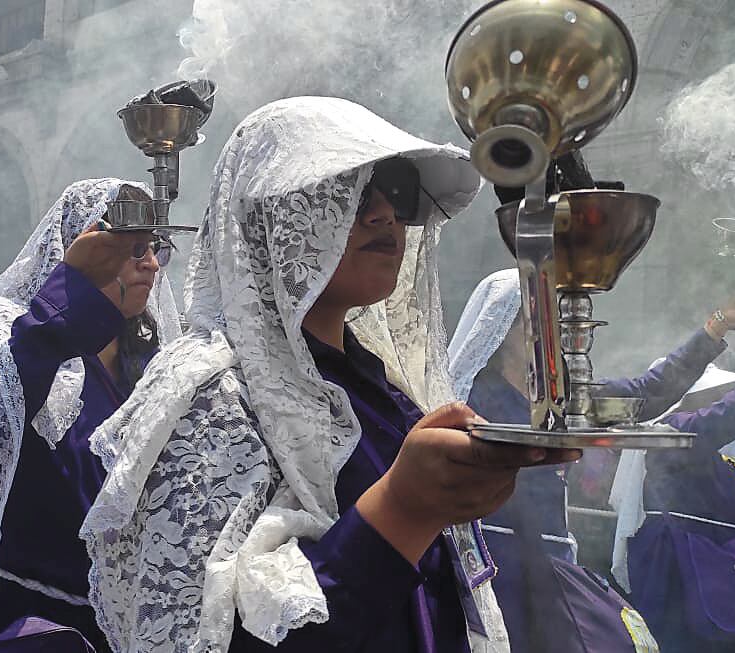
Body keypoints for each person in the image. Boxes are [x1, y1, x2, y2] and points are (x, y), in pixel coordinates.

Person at [78, 96, 576, 652]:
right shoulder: (210, 394)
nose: (384, 214)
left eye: (397, 190)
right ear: (269, 215)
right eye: (350, 190)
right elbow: (209, 638)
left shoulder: (382, 387)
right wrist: (403, 509)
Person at [0, 179, 182, 652]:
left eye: (156, 247)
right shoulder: (11, 328)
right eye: (132, 248)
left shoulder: (154, 360)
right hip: (27, 623)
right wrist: (66, 298)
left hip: (125, 627)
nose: (150, 263)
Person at [445, 268, 735, 651]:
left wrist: (719, 325)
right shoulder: (471, 400)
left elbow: (648, 395)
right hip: (491, 567)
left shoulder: (564, 401)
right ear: (504, 329)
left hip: (552, 567)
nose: (554, 331)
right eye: (538, 319)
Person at [611, 367, 735, 652]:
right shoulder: (674, 438)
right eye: (714, 397)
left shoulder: (729, 463)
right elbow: (715, 422)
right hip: (686, 607)